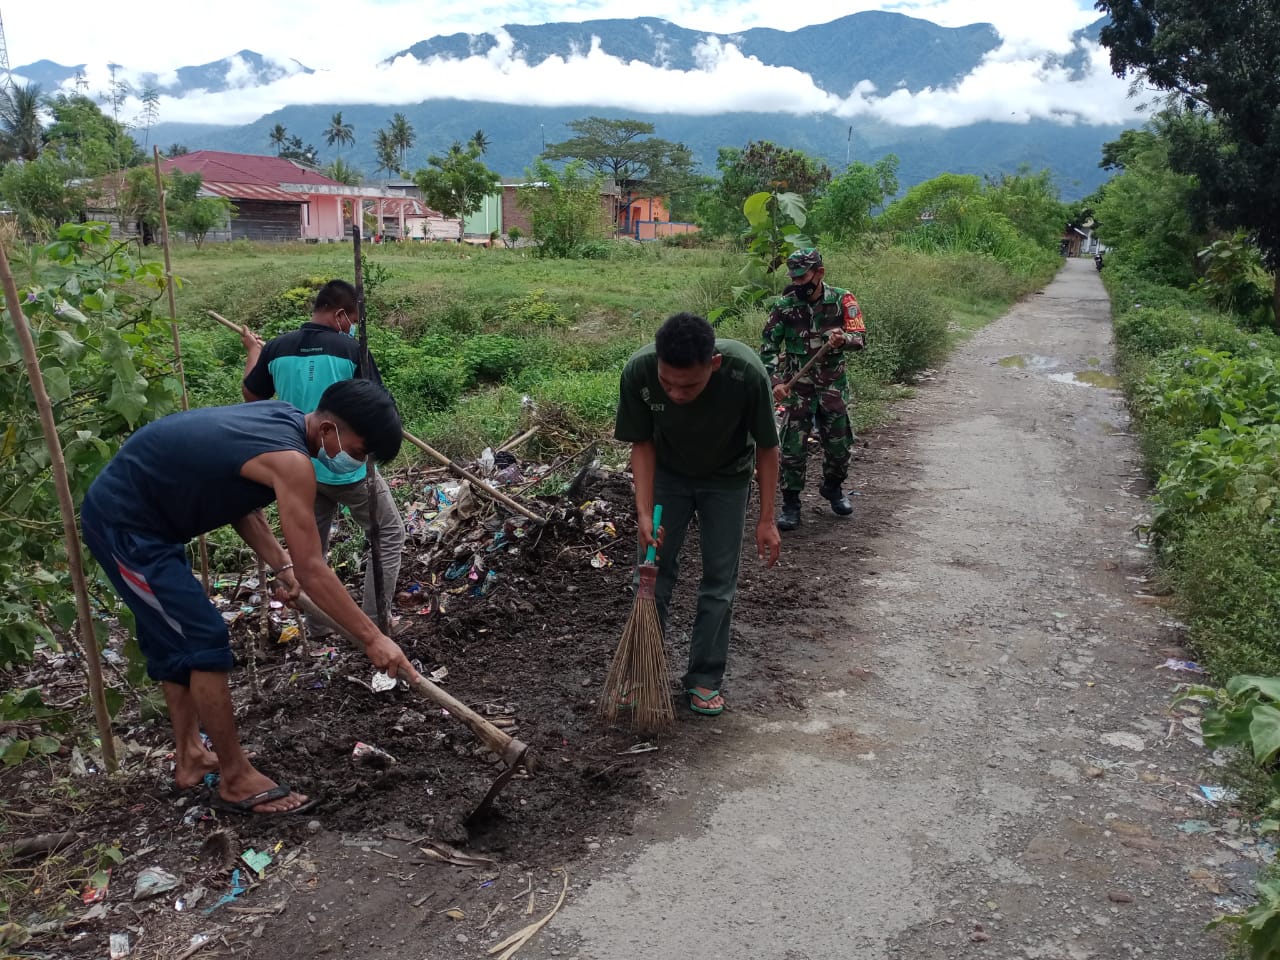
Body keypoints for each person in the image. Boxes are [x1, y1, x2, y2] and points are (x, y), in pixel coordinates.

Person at [81, 380, 415, 815]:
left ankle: (190, 758)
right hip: (126, 526)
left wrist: (281, 565)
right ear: (330, 429)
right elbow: (315, 568)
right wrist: (373, 638)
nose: (356, 460)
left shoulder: (283, 419)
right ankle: (235, 778)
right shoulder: (292, 460)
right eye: (358, 450)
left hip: (150, 521)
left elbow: (238, 500)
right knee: (202, 638)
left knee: (173, 636)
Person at [614, 312, 781, 716]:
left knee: (719, 580)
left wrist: (767, 518)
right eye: (667, 382)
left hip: (726, 480)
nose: (674, 393)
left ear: (715, 365)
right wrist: (644, 512)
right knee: (652, 575)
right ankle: (642, 674)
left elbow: (767, 448)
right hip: (668, 477)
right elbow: (641, 443)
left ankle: (704, 678)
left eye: (687, 385)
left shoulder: (745, 372)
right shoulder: (638, 371)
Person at [241, 280, 405, 634]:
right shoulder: (350, 349)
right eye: (353, 319)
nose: (354, 326)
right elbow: (373, 405)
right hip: (347, 471)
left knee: (310, 551)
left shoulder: (277, 348)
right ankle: (377, 624)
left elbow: (252, 398)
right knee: (389, 532)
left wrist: (253, 353)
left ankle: (319, 626)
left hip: (298, 470)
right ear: (342, 314)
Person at [761, 248, 867, 531]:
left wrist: (842, 339)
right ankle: (791, 503)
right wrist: (775, 383)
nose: (797, 283)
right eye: (792, 278)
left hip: (833, 387)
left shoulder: (842, 299)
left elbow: (860, 338)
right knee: (793, 449)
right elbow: (768, 350)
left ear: (819, 273)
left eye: (802, 277)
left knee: (839, 446)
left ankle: (832, 487)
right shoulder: (783, 306)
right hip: (798, 388)